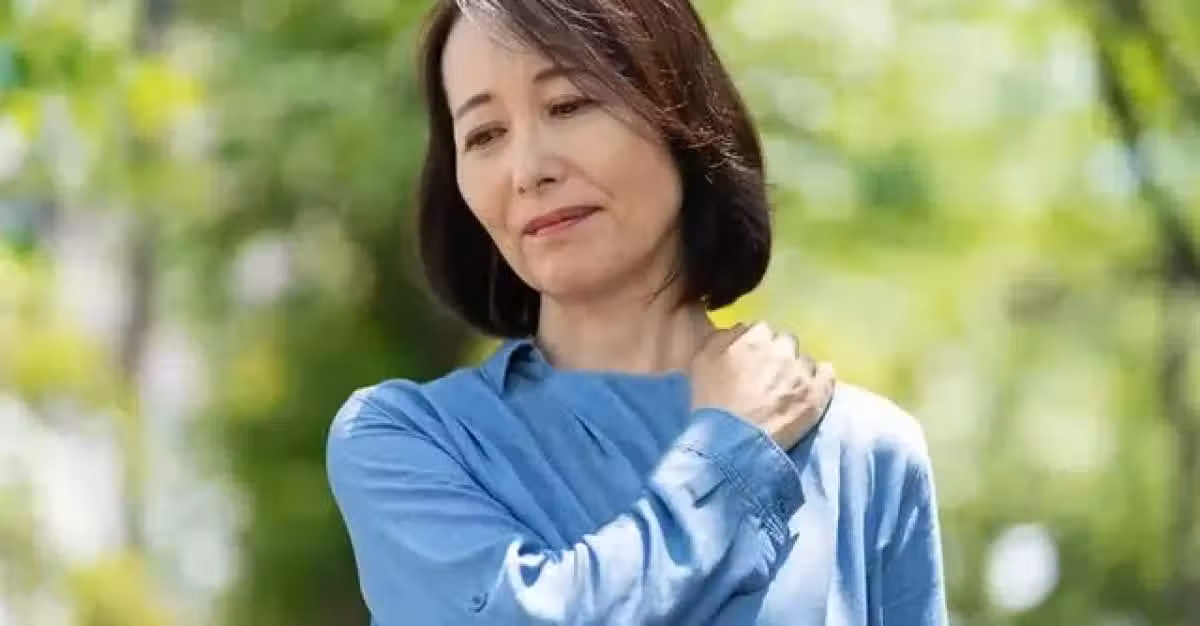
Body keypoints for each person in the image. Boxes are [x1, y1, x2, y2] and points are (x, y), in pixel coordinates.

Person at [326, 0, 948, 624]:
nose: (528, 171)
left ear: (678, 109)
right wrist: (729, 459)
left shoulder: (863, 453)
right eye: (485, 135)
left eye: (567, 105)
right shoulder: (410, 443)